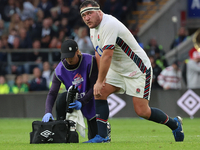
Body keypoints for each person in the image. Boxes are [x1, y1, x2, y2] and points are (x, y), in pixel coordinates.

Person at [79, 0, 184, 143]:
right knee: (100, 92)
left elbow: (108, 55)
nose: (86, 18)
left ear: (99, 11)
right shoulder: (93, 29)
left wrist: (99, 80)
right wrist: (101, 79)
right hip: (118, 70)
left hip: (138, 69)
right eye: (84, 15)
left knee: (142, 111)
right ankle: (102, 137)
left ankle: (175, 124)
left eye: (89, 13)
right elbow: (99, 53)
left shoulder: (109, 24)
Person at [42, 39, 99, 140]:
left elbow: (94, 86)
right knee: (62, 97)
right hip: (72, 100)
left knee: (94, 138)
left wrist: (82, 101)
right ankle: (64, 129)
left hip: (90, 97)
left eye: (71, 56)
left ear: (77, 52)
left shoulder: (90, 61)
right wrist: (48, 111)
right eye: (66, 57)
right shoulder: (60, 69)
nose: (69, 59)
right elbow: (52, 93)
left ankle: (103, 129)